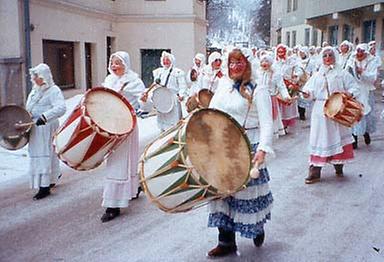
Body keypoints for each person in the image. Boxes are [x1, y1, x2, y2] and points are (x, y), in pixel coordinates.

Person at [207, 49, 274, 257]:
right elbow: (212, 112)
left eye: (239, 62)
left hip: (248, 146)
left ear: (248, 64)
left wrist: (263, 149)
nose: (234, 67)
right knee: (222, 194)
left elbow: (267, 123)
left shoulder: (259, 89)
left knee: (247, 196)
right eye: (231, 62)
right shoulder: (223, 85)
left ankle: (257, 226)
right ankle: (226, 242)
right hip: (224, 147)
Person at [302, 47, 360, 184]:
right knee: (319, 139)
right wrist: (306, 94)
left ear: (335, 56)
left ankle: (338, 164)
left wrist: (348, 94)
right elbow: (309, 90)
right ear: (321, 59)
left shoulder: (342, 73)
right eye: (325, 56)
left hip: (338, 110)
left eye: (330, 55)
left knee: (337, 136)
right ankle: (315, 170)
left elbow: (354, 87)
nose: (327, 58)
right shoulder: (317, 75)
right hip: (320, 112)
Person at [100, 51, 145, 222]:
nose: (114, 66)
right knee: (116, 162)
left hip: (126, 125)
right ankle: (131, 188)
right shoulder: (109, 80)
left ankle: (113, 204)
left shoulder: (134, 81)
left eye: (118, 63)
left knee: (118, 165)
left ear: (126, 64)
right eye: (112, 62)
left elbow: (145, 105)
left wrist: (144, 101)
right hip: (110, 126)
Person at [26, 63, 66, 200]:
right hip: (35, 127)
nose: (36, 79)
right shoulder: (34, 91)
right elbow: (29, 107)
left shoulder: (54, 90)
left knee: (45, 153)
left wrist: (45, 117)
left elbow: (61, 108)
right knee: (39, 153)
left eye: (39, 76)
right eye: (34, 76)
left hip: (46, 126)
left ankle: (44, 186)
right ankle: (52, 176)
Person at [140, 51, 187, 131]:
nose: (165, 61)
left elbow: (183, 86)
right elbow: (155, 86)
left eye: (167, 59)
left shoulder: (177, 72)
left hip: (173, 99)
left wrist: (181, 95)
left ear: (172, 61)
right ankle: (163, 132)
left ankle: (173, 133)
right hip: (161, 99)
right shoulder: (159, 72)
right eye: (164, 60)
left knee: (173, 119)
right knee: (162, 117)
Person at [346, 43, 377, 149]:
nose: (359, 54)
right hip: (355, 91)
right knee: (353, 113)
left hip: (367, 91)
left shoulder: (372, 61)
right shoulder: (351, 60)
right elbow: (346, 74)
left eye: (362, 52)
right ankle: (353, 138)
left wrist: (363, 72)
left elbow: (373, 78)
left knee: (366, 114)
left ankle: (365, 133)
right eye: (358, 51)